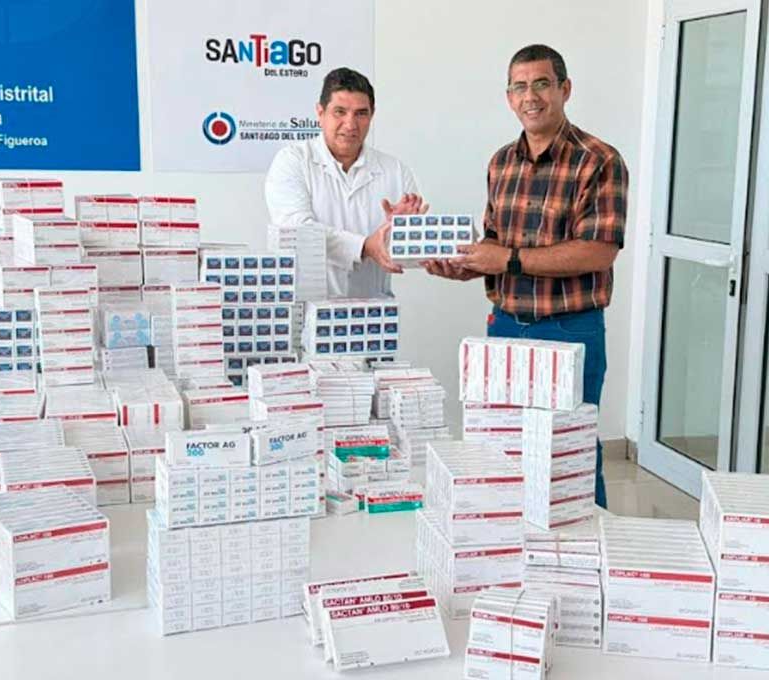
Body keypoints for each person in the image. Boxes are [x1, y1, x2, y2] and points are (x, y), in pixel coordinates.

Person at [424, 44, 628, 508]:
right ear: (508, 97)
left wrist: (508, 260)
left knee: (571, 455)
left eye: (541, 84)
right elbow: (495, 246)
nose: (530, 96)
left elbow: (599, 251)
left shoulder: (599, 160)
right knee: (501, 452)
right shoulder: (501, 162)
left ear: (565, 89)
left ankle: (583, 549)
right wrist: (462, 266)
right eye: (519, 87)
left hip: (570, 329)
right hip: (505, 326)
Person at [265, 67, 427, 299]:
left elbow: (410, 255)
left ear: (372, 115)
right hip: (308, 309)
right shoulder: (293, 161)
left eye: (361, 113)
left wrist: (404, 231)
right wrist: (364, 246)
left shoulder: (396, 171)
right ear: (320, 113)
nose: (350, 124)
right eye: (339, 112)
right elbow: (298, 231)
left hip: (374, 311)